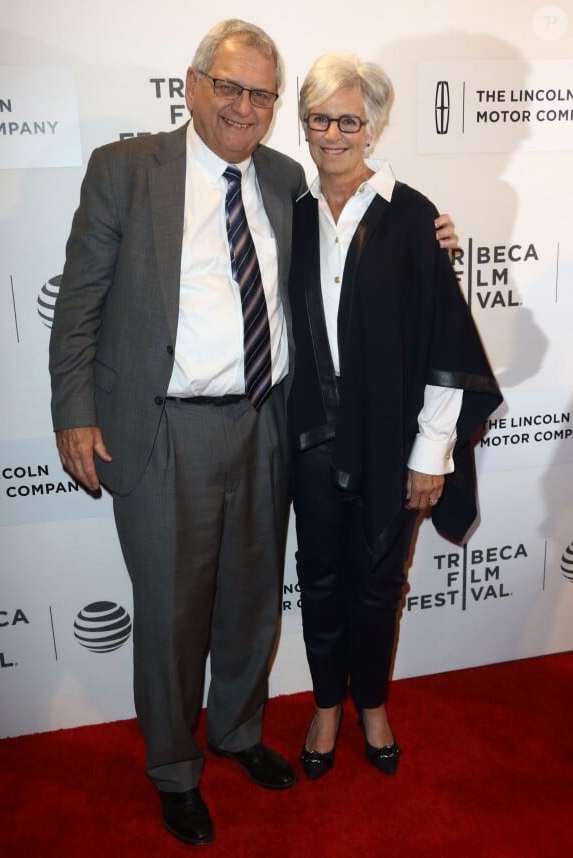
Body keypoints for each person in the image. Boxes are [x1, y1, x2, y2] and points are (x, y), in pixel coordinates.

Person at [49, 20, 457, 846]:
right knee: (169, 614)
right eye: (228, 87)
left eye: (261, 94)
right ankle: (172, 765)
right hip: (164, 432)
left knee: (249, 604)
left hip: (269, 423)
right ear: (193, 83)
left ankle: (236, 733)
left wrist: (434, 239)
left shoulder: (285, 180)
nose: (244, 107)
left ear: (276, 107)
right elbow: (79, 305)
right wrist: (75, 411)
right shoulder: (126, 171)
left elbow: (360, 249)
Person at [287, 54, 502, 780]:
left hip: (394, 442)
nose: (334, 133)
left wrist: (430, 453)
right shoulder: (291, 214)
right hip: (312, 435)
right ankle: (324, 705)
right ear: (305, 125)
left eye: (349, 119)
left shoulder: (412, 215)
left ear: (373, 127)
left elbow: (444, 338)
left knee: (380, 582)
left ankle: (371, 705)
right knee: (318, 576)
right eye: (320, 117)